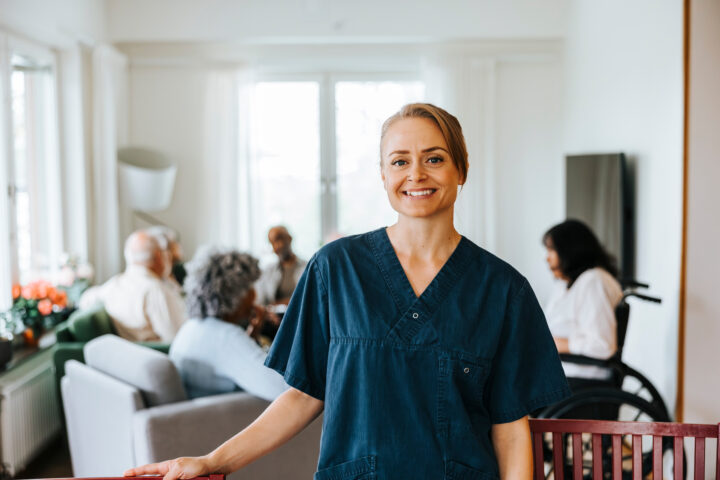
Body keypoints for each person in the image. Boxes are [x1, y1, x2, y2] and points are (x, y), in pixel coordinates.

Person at [125, 103, 569, 480]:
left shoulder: (503, 289)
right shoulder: (334, 269)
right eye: (400, 161)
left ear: (462, 169)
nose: (416, 173)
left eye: (434, 158)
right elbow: (302, 396)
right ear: (382, 174)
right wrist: (212, 460)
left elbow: (511, 428)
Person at [169, 246, 287, 401]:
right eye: (250, 287)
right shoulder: (225, 336)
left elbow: (231, 360)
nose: (254, 295)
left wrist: (254, 332)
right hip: (230, 417)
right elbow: (282, 389)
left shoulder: (193, 326)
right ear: (234, 293)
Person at [542, 219, 624, 385]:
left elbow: (602, 345)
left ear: (569, 251)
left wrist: (558, 344)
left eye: (552, 250)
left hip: (580, 380)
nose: (547, 259)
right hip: (563, 374)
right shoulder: (567, 284)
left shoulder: (594, 281)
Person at [79, 230, 186, 342]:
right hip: (159, 353)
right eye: (165, 253)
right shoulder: (155, 290)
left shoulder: (113, 285)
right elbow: (176, 338)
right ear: (159, 256)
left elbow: (85, 300)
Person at [254, 226, 306, 306]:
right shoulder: (268, 271)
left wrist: (278, 304)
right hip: (276, 317)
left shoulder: (307, 267)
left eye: (278, 240)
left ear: (289, 239)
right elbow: (260, 302)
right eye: (272, 243)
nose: (275, 248)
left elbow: (308, 299)